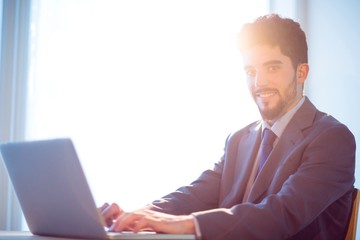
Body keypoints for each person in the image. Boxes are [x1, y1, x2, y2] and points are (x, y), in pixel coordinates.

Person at [100, 14, 356, 239]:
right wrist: (136, 216)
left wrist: (179, 224)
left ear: (301, 73)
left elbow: (281, 214)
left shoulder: (332, 138)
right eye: (250, 70)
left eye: (272, 67)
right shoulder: (239, 139)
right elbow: (195, 195)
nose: (260, 81)